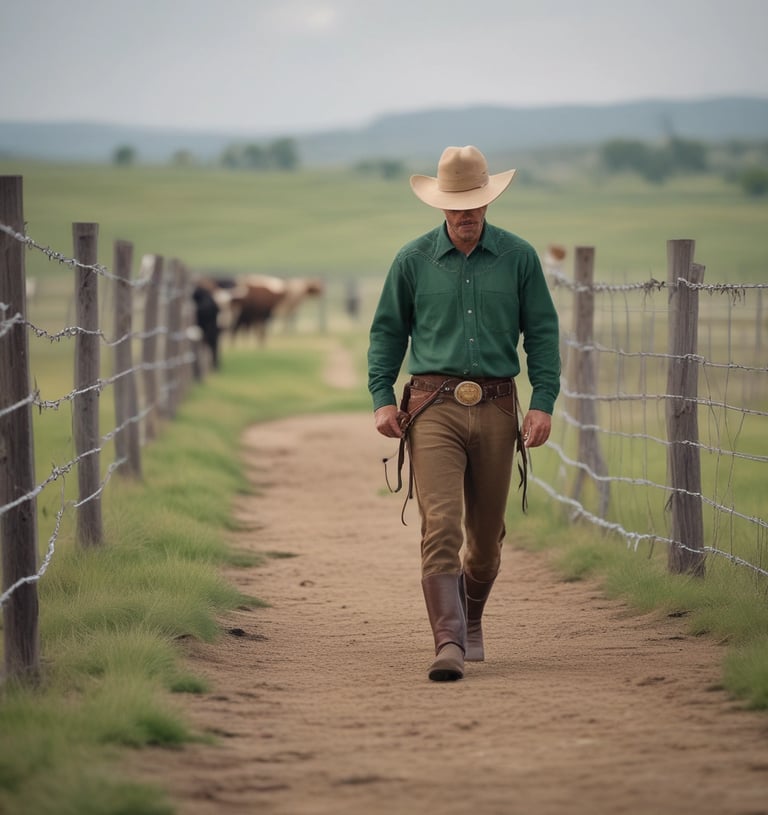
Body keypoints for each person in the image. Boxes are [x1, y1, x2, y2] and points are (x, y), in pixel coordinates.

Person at [367, 145, 560, 682]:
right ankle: (448, 641)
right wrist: (383, 397)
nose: (466, 214)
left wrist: (542, 402)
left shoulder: (519, 257)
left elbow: (542, 334)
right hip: (432, 407)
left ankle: (472, 618)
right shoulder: (411, 261)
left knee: (486, 538)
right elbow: (387, 331)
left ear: (489, 202)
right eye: (456, 205)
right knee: (441, 526)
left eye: (476, 203)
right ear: (441, 206)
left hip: (499, 407)